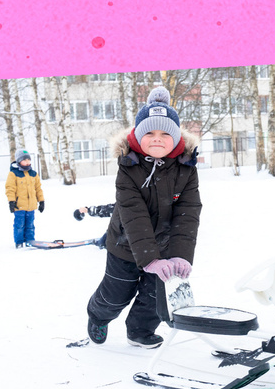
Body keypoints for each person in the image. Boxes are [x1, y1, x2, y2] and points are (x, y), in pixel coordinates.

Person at [86, 87, 201, 349]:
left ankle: (139, 331)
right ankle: (97, 316)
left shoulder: (186, 167)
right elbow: (133, 214)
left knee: (153, 297)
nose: (157, 139)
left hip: (165, 246)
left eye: (164, 133)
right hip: (125, 244)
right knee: (116, 295)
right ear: (139, 135)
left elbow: (188, 211)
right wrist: (149, 258)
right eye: (149, 132)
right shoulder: (129, 166)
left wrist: (180, 253)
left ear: (175, 138)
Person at [6, 149, 46, 247]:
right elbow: (10, 188)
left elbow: (38, 189)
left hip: (31, 206)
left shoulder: (33, 174)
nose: (27, 162)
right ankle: (19, 242)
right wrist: (11, 201)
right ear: (19, 161)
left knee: (30, 226)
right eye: (25, 160)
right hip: (19, 206)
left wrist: (41, 201)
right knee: (19, 225)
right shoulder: (13, 174)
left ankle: (30, 241)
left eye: (29, 159)